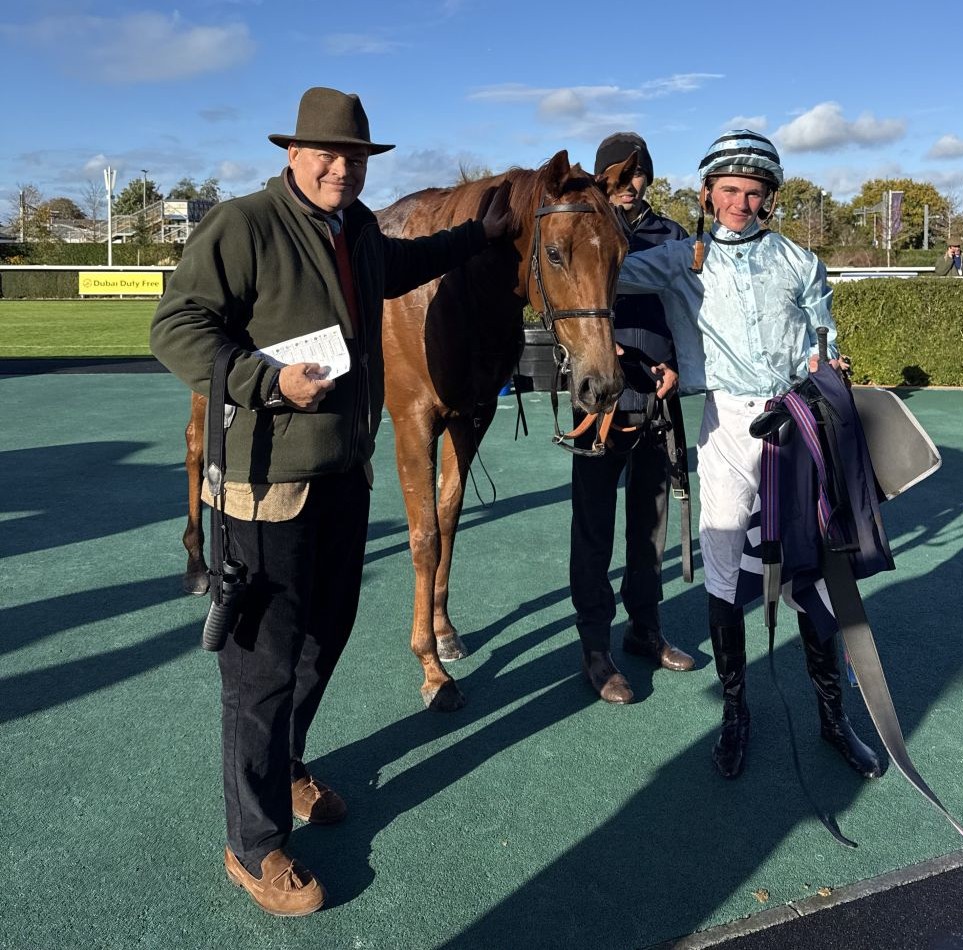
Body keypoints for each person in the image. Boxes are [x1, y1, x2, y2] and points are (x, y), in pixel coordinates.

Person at [150, 86, 509, 916]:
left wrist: (480, 233)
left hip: (344, 476)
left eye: (354, 157)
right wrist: (265, 380)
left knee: (324, 639)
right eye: (328, 153)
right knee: (261, 667)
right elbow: (177, 327)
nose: (341, 168)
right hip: (265, 486)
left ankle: (288, 765)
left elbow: (411, 264)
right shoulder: (244, 224)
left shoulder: (361, 231)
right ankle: (255, 843)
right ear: (292, 154)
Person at [615, 130, 882, 780]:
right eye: (729, 189)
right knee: (726, 572)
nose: (740, 201)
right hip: (727, 425)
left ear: (770, 196)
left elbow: (823, 336)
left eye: (753, 190)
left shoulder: (800, 262)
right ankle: (737, 715)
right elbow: (601, 271)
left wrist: (827, 359)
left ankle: (833, 717)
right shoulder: (683, 259)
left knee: (814, 576)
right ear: (708, 192)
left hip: (794, 424)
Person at [570, 132, 695, 704]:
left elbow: (688, 312)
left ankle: (645, 629)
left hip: (658, 398)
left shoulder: (671, 234)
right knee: (593, 528)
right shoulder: (581, 228)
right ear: (599, 180)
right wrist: (603, 351)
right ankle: (595, 648)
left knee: (650, 523)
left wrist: (674, 363)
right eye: (616, 178)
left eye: (636, 176)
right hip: (600, 399)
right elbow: (560, 306)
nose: (627, 188)